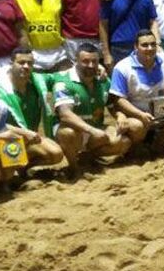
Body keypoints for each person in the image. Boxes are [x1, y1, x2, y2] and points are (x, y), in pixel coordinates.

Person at [0, 69, 63, 179]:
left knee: (11, 146)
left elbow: (1, 127)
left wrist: (24, 133)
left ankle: (9, 179)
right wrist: (0, 137)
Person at [49, 44, 133, 177]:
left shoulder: (103, 81)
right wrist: (91, 130)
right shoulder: (64, 81)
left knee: (124, 142)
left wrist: (120, 116)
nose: (90, 65)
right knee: (68, 133)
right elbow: (65, 115)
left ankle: (87, 157)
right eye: (85, 61)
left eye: (94, 61)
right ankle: (73, 167)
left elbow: (112, 105)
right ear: (76, 60)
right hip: (72, 131)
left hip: (96, 128)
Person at [109, 30, 164, 154]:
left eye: (153, 44)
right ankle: (136, 149)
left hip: (163, 112)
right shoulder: (122, 68)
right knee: (136, 127)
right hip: (137, 116)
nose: (150, 48)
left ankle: (158, 142)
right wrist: (140, 115)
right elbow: (119, 99)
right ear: (136, 47)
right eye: (144, 45)